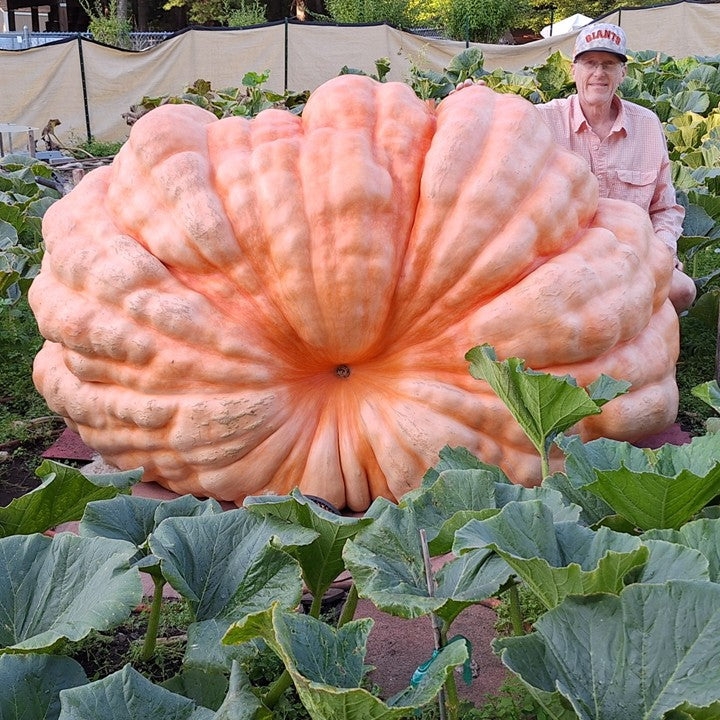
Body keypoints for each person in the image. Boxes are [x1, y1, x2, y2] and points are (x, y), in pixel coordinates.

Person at [534, 22, 696, 313]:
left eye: (609, 64)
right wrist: (471, 99)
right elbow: (494, 130)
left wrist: (663, 251)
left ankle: (636, 332)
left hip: (632, 257)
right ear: (573, 70)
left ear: (623, 73)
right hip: (562, 259)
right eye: (590, 63)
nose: (599, 73)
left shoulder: (647, 125)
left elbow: (665, 208)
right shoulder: (543, 120)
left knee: (682, 290)